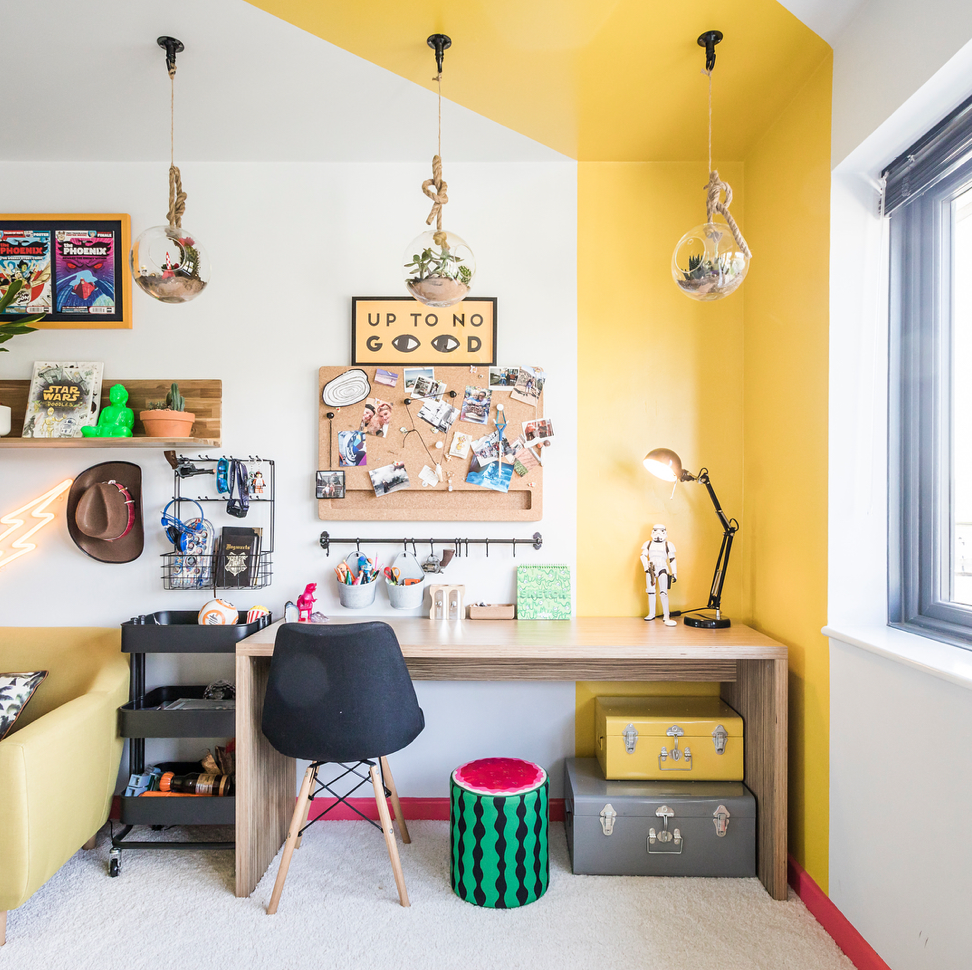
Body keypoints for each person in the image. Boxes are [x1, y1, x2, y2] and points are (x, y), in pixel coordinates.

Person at [641, 524, 677, 626]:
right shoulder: (648, 544)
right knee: (651, 592)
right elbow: (643, 555)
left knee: (663, 592)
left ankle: (666, 615)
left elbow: (672, 559)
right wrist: (646, 566)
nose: (658, 533)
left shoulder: (668, 544)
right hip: (650, 569)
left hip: (662, 568)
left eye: (661, 531)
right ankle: (651, 613)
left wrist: (674, 573)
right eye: (656, 530)